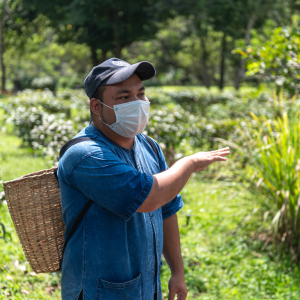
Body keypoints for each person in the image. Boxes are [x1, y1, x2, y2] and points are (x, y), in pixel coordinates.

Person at [57, 57, 230, 300]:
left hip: (147, 288)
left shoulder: (148, 145)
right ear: (96, 107)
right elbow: (150, 198)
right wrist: (189, 163)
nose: (137, 103)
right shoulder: (85, 155)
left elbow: (166, 208)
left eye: (141, 94)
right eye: (124, 97)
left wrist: (177, 272)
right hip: (100, 291)